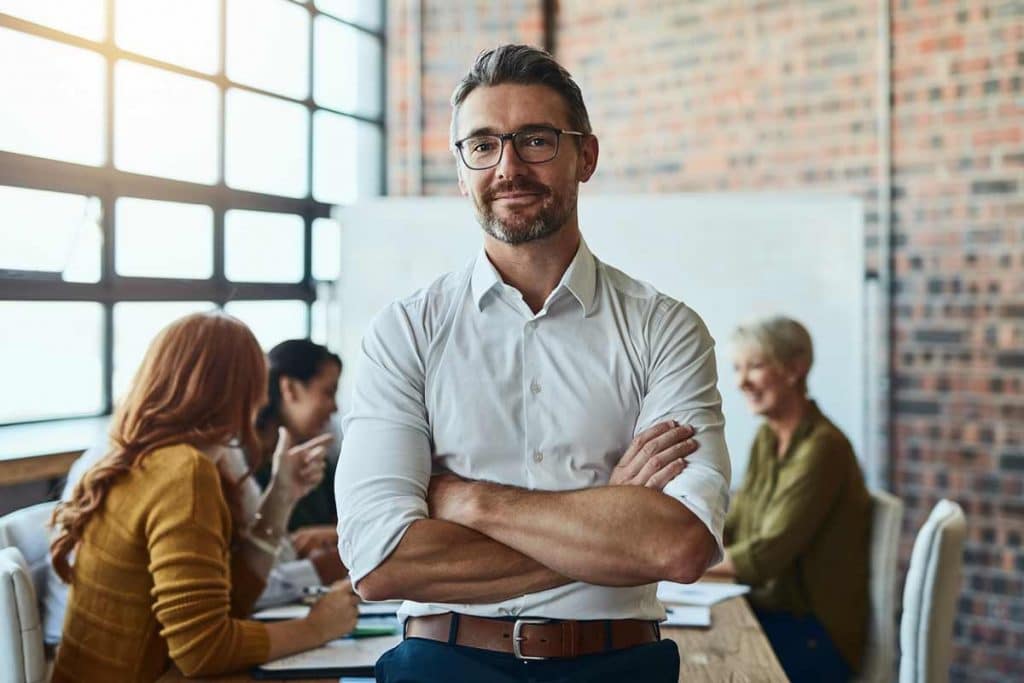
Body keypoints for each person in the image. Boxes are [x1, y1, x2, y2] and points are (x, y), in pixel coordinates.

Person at [336, 44, 731, 682]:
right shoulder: (406, 331)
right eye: (483, 145)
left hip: (617, 664)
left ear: (587, 156)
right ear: (462, 170)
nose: (508, 166)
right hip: (441, 664)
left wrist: (467, 501)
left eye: (536, 140)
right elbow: (381, 562)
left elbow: (678, 544)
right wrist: (612, 514)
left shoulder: (665, 329)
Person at [49, 312, 358, 682]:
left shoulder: (152, 458)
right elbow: (203, 650)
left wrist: (280, 499)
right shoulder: (185, 473)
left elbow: (228, 605)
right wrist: (317, 627)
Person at [707, 315, 870, 682]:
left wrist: (676, 564)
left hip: (816, 636)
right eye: (737, 368)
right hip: (774, 614)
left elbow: (765, 556)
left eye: (756, 366)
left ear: (795, 368)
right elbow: (732, 526)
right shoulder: (768, 438)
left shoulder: (823, 448)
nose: (741, 382)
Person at [254, 339, 344, 561]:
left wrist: (336, 535)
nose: (335, 406)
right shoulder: (243, 467)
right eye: (328, 392)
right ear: (290, 389)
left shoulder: (322, 462)